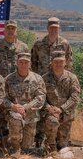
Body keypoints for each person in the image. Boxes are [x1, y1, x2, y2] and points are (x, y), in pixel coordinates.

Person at [31, 17, 73, 147]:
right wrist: (38, 79)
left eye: (56, 28)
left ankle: (60, 142)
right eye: (51, 28)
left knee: (60, 112)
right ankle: (38, 141)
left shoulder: (65, 44)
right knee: (41, 111)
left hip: (60, 83)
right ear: (47, 28)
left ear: (59, 28)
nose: (54, 30)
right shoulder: (38, 44)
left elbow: (69, 64)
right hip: (42, 83)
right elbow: (33, 63)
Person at [0, 19, 29, 150]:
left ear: (16, 30)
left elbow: (29, 67)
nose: (10, 30)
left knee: (17, 112)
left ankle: (17, 141)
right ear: (4, 30)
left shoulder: (23, 47)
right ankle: (2, 142)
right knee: (0, 114)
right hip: (0, 85)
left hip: (18, 86)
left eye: (13, 28)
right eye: (8, 28)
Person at [3, 52, 46, 157]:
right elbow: (2, 97)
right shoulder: (8, 79)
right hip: (14, 113)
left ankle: (20, 146)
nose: (23, 64)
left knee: (27, 146)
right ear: (16, 63)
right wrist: (13, 106)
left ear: (30, 64)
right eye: (21, 62)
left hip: (31, 114)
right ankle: (15, 148)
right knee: (16, 120)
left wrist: (25, 107)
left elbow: (40, 97)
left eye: (26, 62)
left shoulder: (37, 79)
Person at [42, 51, 81, 153]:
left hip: (66, 115)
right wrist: (49, 108)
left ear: (65, 62)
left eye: (61, 61)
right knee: (52, 123)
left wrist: (61, 109)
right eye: (56, 61)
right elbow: (41, 97)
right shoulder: (44, 78)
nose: (58, 64)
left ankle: (58, 145)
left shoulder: (72, 78)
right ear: (51, 62)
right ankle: (51, 145)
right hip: (50, 114)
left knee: (62, 146)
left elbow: (75, 97)